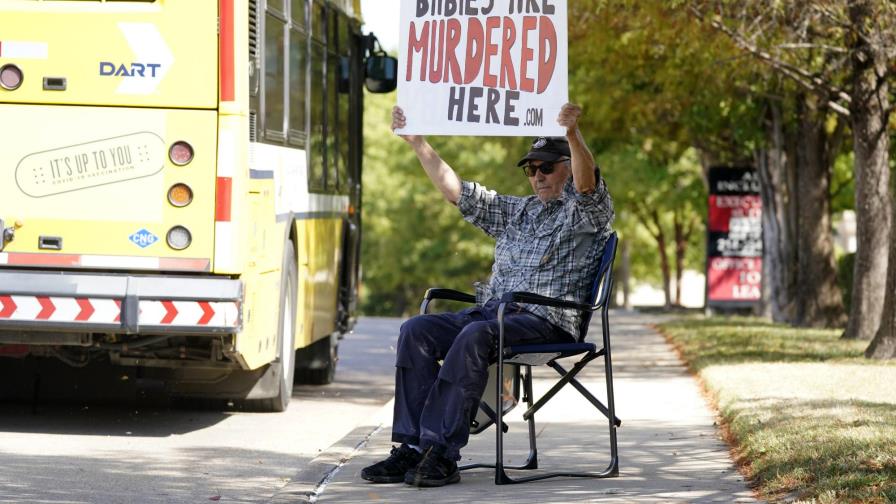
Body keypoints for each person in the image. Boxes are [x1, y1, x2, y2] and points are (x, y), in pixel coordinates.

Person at [361, 103, 614, 487]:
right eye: (531, 169)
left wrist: (573, 134)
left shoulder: (583, 215)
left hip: (546, 321)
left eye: (547, 166)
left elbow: (587, 186)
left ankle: (442, 454)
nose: (538, 175)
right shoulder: (519, 211)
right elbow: (459, 194)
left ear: (567, 165)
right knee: (416, 330)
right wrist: (418, 143)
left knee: (475, 336)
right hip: (494, 313)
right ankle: (413, 448)